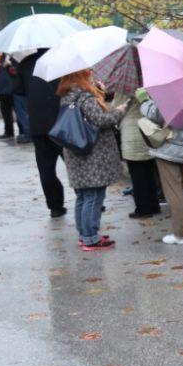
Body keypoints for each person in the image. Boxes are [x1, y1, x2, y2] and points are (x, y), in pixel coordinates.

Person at [55, 70, 127, 250]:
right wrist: (120, 110)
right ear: (81, 76)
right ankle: (91, 238)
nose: (92, 76)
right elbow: (102, 120)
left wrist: (99, 93)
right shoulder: (85, 97)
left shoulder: (67, 96)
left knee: (83, 196)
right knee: (94, 196)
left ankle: (84, 234)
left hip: (76, 153)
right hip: (92, 156)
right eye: (89, 74)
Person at [138, 89, 183, 245]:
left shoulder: (171, 93)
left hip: (170, 148)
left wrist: (144, 101)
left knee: (174, 191)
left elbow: (156, 114)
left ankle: (180, 234)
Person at [19, 50, 67, 216]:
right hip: (61, 122)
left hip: (38, 124)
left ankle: (55, 207)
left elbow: (19, 89)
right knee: (75, 164)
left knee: (46, 168)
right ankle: (87, 199)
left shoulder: (26, 62)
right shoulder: (61, 59)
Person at [118, 96, 161, 218]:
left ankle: (143, 208)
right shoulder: (148, 85)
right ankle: (154, 205)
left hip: (132, 133)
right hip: (148, 130)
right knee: (150, 171)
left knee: (137, 175)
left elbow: (116, 110)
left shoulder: (124, 87)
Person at [0, 53, 19, 140]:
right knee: (6, 113)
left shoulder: (15, 56)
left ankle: (24, 132)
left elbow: (18, 72)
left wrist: (9, 65)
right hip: (2, 90)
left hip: (14, 90)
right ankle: (9, 132)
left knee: (19, 112)